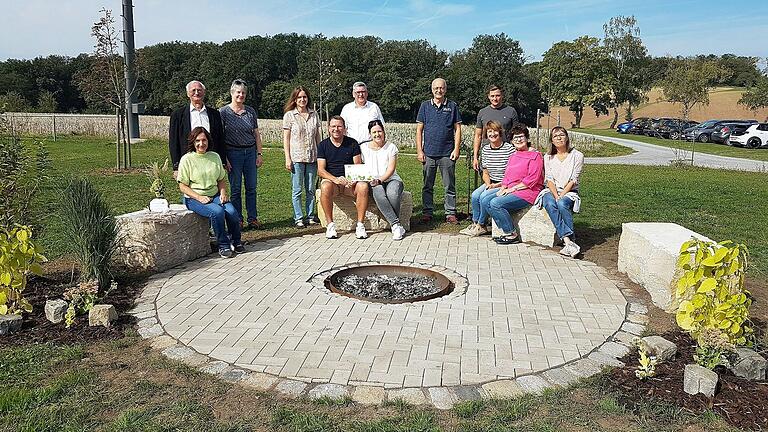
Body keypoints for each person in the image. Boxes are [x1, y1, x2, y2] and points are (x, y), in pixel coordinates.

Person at [177, 126, 243, 258]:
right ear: (193, 142)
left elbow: (221, 179)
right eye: (198, 141)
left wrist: (223, 193)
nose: (201, 144)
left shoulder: (215, 156)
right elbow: (183, 186)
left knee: (232, 212)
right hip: (194, 198)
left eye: (204, 140)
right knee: (217, 212)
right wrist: (199, 197)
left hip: (215, 195)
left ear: (208, 141)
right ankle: (223, 245)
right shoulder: (187, 159)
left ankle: (236, 241)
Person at [485, 124, 544, 244]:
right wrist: (503, 187)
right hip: (512, 190)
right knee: (485, 200)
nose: (518, 140)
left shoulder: (535, 156)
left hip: (528, 191)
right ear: (512, 141)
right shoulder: (514, 156)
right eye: (515, 138)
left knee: (495, 203)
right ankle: (503, 229)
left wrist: (512, 189)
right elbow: (508, 176)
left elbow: (533, 179)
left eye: (521, 136)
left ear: (527, 138)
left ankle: (511, 234)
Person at [416, 77, 462, 224]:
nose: (439, 90)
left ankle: (450, 213)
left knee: (449, 185)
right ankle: (427, 212)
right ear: (432, 89)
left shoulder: (452, 106)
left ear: (445, 89)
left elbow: (458, 129)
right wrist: (419, 151)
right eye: (436, 88)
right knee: (427, 185)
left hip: (447, 153)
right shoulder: (424, 106)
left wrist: (456, 149)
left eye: (441, 88)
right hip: (428, 153)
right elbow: (419, 130)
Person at [219, 79, 264, 229]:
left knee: (251, 187)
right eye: (238, 92)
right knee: (236, 189)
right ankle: (237, 219)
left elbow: (256, 134)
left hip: (250, 152)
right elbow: (220, 137)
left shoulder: (250, 111)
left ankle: (253, 218)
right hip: (233, 153)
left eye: (243, 93)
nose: (241, 95)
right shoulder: (224, 112)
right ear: (232, 93)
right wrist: (225, 159)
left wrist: (259, 154)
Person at [317, 116, 370, 240]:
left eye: (339, 126)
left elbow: (357, 165)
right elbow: (320, 170)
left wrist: (353, 179)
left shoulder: (352, 143)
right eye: (333, 126)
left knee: (363, 186)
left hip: (349, 183)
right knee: (325, 186)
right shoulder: (323, 145)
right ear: (329, 128)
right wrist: (335, 179)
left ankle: (360, 225)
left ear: (344, 128)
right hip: (333, 182)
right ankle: (330, 225)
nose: (336, 129)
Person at [460, 120, 515, 237]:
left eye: (495, 131)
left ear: (500, 132)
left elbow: (512, 173)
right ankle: (475, 223)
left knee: (484, 196)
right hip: (491, 182)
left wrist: (496, 185)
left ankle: (482, 224)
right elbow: (485, 172)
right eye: (489, 132)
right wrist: (488, 183)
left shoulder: (509, 149)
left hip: (505, 183)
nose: (492, 134)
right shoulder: (485, 150)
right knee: (475, 195)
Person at [538, 126, 584, 258]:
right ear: (551, 141)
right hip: (551, 190)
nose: (559, 138)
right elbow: (549, 179)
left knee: (562, 204)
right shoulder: (548, 157)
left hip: (569, 190)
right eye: (555, 136)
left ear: (567, 137)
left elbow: (574, 179)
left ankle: (570, 241)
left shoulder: (577, 156)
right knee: (549, 202)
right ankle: (568, 241)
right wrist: (556, 195)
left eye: (561, 135)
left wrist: (561, 195)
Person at [169, 80, 225, 178]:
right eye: (193, 90)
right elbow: (173, 142)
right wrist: (176, 167)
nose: (196, 93)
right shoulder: (178, 115)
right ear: (187, 94)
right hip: (188, 161)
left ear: (204, 92)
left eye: (199, 90)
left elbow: (220, 139)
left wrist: (223, 162)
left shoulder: (215, 114)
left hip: (211, 161)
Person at [283, 86, 321, 228]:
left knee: (310, 188)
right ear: (295, 99)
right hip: (297, 158)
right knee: (297, 189)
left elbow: (317, 136)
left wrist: (321, 155)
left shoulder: (313, 114)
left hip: (312, 157)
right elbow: (286, 139)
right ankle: (298, 217)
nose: (302, 100)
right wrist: (288, 158)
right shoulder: (289, 116)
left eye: (304, 97)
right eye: (299, 97)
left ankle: (311, 215)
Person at [361, 120, 406, 240]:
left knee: (393, 194)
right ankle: (396, 225)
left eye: (379, 131)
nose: (377, 134)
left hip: (391, 179)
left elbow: (391, 169)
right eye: (374, 132)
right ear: (370, 134)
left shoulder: (391, 147)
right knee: (379, 193)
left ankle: (394, 224)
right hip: (372, 181)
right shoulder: (363, 148)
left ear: (384, 131)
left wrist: (380, 180)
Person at [472, 85, 519, 171]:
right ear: (488, 96)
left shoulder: (511, 111)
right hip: (488, 155)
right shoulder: (482, 112)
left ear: (502, 96)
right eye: (492, 96)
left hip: (506, 155)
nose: (495, 98)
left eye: (497, 95)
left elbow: (517, 134)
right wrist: (475, 157)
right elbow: (478, 136)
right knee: (487, 182)